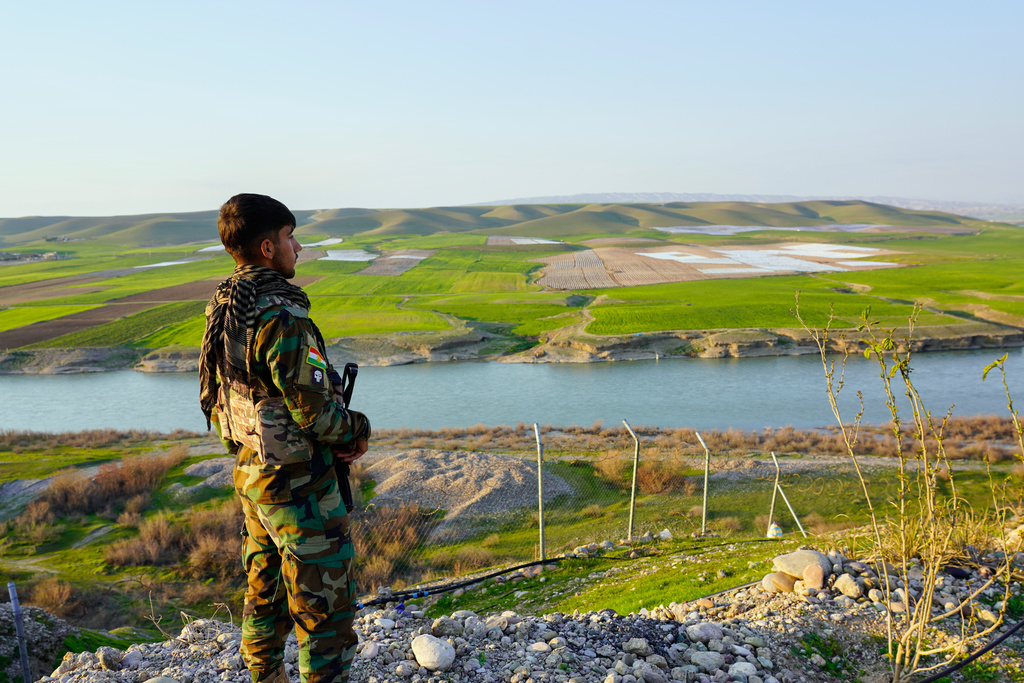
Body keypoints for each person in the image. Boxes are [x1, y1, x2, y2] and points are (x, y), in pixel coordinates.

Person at [199, 193, 370, 683]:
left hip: (253, 473)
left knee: (266, 594)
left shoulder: (227, 304)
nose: (299, 246)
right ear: (269, 247)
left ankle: (264, 676)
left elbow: (220, 397)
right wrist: (357, 430)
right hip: (299, 489)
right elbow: (315, 415)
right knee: (327, 612)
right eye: (291, 237)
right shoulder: (281, 314)